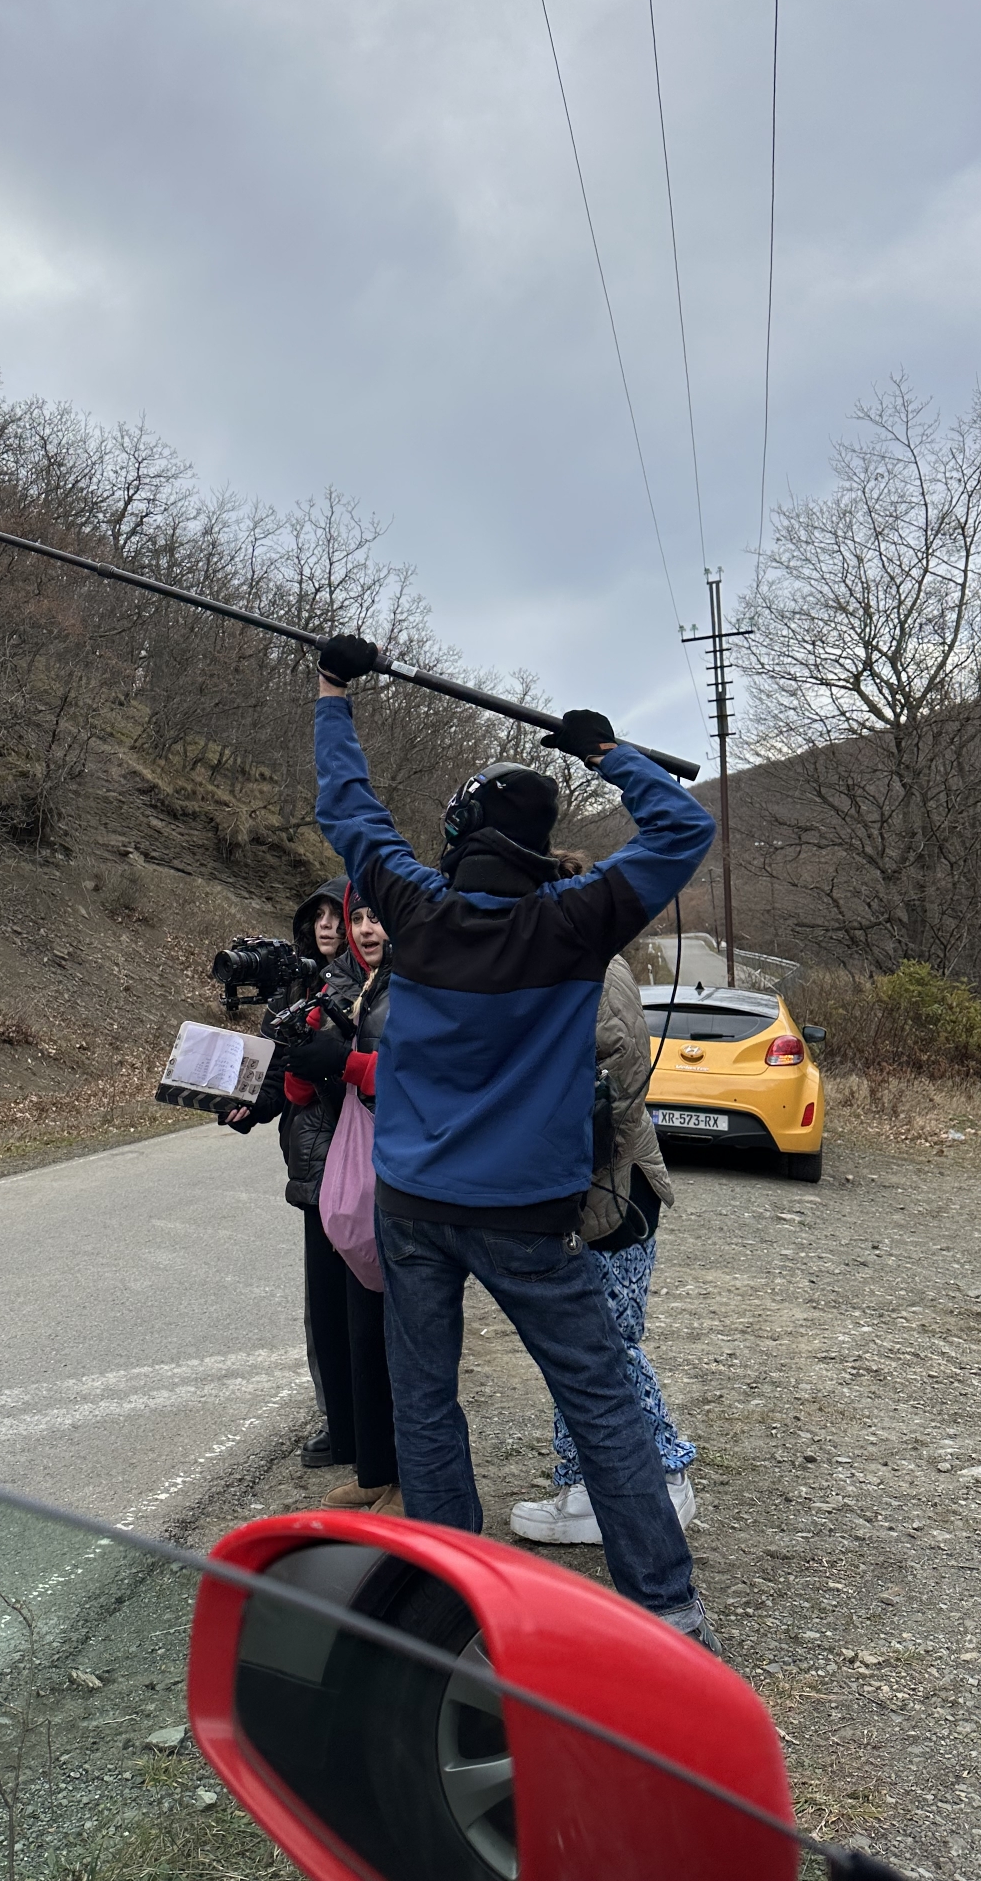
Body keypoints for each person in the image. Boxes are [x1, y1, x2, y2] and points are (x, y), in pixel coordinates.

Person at [311, 631, 720, 1648]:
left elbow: (348, 807)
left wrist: (333, 694)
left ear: (461, 836)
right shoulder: (576, 920)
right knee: (601, 1402)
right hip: (529, 1220)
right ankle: (667, 1611)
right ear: (536, 846)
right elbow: (683, 827)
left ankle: (451, 1610)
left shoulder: (413, 906)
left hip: (414, 1210)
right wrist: (610, 755)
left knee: (425, 1403)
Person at [510, 943, 698, 1545]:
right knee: (577, 1346)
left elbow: (622, 1077)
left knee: (606, 1345)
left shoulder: (595, 963)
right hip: (583, 1190)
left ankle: (665, 1475)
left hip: (613, 1191)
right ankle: (585, 1484)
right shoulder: (547, 959)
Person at [221, 876, 355, 1468]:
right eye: (318, 915)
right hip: (311, 1165)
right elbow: (275, 1076)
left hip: (360, 1159)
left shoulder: (370, 983)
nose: (327, 925)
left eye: (337, 914)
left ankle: (372, 1423)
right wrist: (250, 1107)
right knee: (322, 1307)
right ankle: (338, 1419)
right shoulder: (291, 989)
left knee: (365, 1302)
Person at [292, 887, 401, 1516]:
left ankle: (413, 1486)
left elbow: (421, 1077)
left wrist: (348, 1063)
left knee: (404, 1342)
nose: (360, 928)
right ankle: (376, 1470)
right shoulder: (364, 987)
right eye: (355, 917)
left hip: (404, 1179)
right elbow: (316, 1091)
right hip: (362, 1178)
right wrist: (308, 1065)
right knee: (364, 1331)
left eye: (371, 916)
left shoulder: (417, 981)